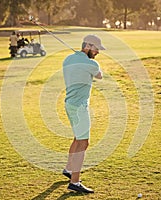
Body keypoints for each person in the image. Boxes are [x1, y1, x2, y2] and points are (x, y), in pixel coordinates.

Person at [62, 35, 105, 193]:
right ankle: (75, 182)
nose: (98, 52)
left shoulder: (68, 59)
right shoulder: (91, 63)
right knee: (83, 143)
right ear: (88, 46)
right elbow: (100, 76)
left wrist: (83, 58)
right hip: (80, 107)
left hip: (69, 105)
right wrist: (91, 63)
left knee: (77, 138)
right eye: (96, 49)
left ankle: (68, 169)